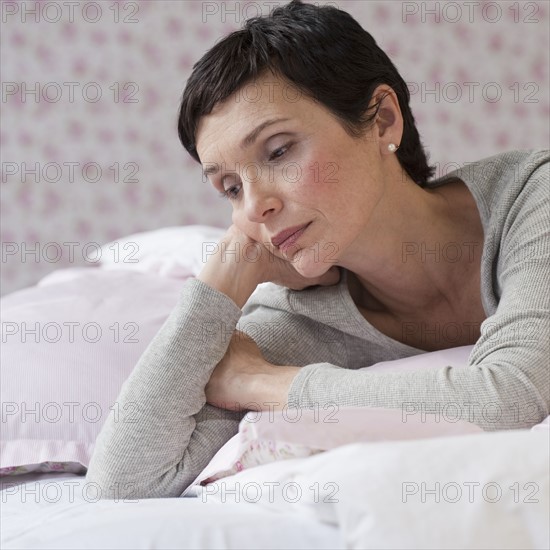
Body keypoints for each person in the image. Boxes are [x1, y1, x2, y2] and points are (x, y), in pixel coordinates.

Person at [85, 0, 549, 499]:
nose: (255, 205)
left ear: (383, 120)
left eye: (278, 151)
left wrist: (260, 385)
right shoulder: (300, 320)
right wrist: (224, 277)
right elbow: (120, 484)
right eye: (230, 188)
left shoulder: (532, 198)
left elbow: (511, 401)